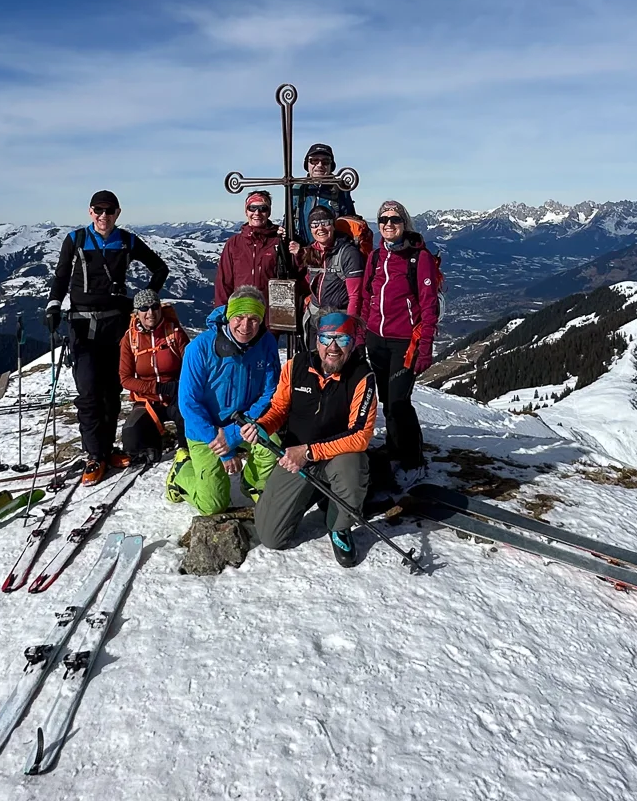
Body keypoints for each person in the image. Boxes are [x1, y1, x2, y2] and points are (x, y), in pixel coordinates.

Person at [46, 190, 169, 484]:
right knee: (89, 392)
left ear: (118, 213)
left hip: (116, 327)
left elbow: (159, 268)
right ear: (90, 212)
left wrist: (142, 299)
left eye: (109, 211)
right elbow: (61, 277)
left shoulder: (126, 241)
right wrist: (53, 305)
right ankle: (95, 454)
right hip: (83, 327)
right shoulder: (75, 240)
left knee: (111, 392)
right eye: (98, 211)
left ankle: (105, 449)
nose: (104, 216)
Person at [251, 312, 376, 567]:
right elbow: (278, 409)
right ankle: (321, 494)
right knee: (271, 536)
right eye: (326, 338)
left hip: (336, 458)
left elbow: (360, 436)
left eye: (341, 339)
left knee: (352, 467)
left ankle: (338, 525)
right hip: (298, 460)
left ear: (352, 343)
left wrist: (308, 452)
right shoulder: (296, 366)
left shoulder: (363, 377)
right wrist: (262, 426)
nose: (332, 347)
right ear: (316, 340)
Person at [349, 199, 441, 490]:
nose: (389, 224)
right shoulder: (376, 257)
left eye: (395, 220)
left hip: (405, 342)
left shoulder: (419, 258)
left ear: (405, 224)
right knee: (388, 401)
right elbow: (366, 299)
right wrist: (362, 335)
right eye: (384, 220)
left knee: (400, 403)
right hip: (376, 340)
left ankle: (413, 461)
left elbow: (429, 306)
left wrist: (425, 346)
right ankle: (395, 451)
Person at [172, 285, 281, 513]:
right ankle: (181, 471)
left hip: (244, 425)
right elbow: (189, 404)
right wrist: (222, 445)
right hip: (205, 431)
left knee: (273, 445)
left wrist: (235, 432)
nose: (245, 326)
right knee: (212, 506)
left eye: (253, 319)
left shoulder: (266, 343)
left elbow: (269, 391)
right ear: (229, 316)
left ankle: (253, 484)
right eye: (239, 317)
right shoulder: (200, 348)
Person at [118, 289, 187, 464]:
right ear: (136, 312)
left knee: (188, 420)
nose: (150, 313)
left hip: (176, 395)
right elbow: (125, 378)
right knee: (131, 436)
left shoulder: (174, 333)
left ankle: (185, 449)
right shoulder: (130, 339)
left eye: (154, 307)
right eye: (144, 308)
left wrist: (180, 386)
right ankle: (158, 442)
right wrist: (156, 388)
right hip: (148, 400)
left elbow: (192, 366)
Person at [291, 201, 364, 342]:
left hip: (338, 318)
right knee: (314, 361)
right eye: (315, 225)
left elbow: (355, 295)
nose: (320, 228)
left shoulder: (348, 253)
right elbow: (309, 282)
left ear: (333, 225)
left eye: (325, 222)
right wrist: (298, 256)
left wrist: (350, 327)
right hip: (314, 316)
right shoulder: (311, 251)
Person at [214, 190, 284, 309]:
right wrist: (221, 313)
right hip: (241, 312)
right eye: (252, 208)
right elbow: (224, 282)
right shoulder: (234, 244)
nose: (257, 213)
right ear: (246, 211)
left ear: (269, 212)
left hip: (273, 314)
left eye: (263, 208)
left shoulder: (279, 241)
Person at [291, 143, 356, 246]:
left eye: (325, 162)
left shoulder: (340, 190)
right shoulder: (297, 190)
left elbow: (350, 223)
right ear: (307, 164)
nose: (319, 165)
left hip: (333, 253)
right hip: (303, 252)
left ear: (331, 166)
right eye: (314, 161)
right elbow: (289, 221)